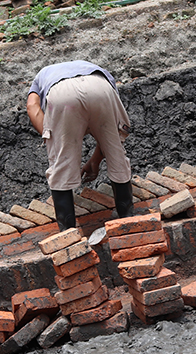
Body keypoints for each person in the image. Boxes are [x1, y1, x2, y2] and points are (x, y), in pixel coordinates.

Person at [26, 60, 135, 231]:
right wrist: (96, 160)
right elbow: (107, 133)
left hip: (61, 95)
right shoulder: (92, 66)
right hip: (100, 87)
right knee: (116, 153)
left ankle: (68, 232)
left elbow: (32, 106)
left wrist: (52, 138)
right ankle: (128, 219)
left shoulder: (41, 76)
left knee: (60, 167)